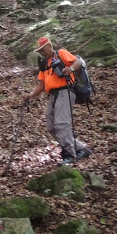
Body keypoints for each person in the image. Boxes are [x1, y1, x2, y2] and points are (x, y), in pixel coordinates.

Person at [23, 36, 92, 165]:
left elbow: (78, 62)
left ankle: (70, 154)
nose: (42, 53)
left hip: (66, 91)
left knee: (61, 124)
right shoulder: (44, 64)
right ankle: (81, 149)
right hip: (53, 95)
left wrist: (70, 69)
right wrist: (31, 95)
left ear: (49, 46)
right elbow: (42, 84)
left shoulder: (61, 53)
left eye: (43, 49)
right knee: (51, 127)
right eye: (39, 51)